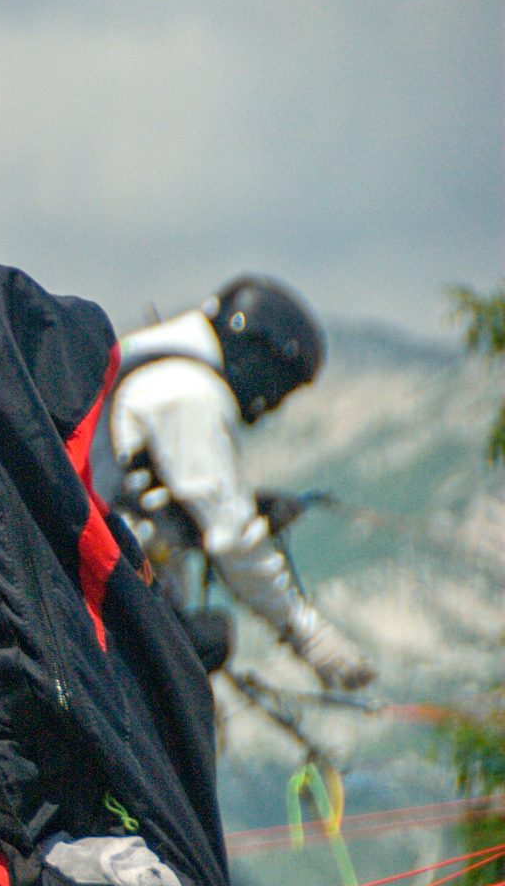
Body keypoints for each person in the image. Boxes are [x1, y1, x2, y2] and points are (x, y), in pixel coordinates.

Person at [111, 275, 376, 689]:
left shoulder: (155, 361)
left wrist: (246, 506)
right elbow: (232, 538)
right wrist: (310, 635)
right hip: (105, 593)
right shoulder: (190, 391)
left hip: (98, 570)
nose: (272, 406)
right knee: (203, 644)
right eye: (279, 388)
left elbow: (144, 494)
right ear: (258, 353)